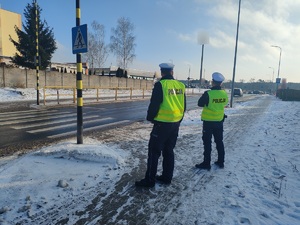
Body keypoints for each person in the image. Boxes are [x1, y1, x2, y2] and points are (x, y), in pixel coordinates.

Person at [135, 63, 186, 188]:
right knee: (169, 151)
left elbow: (154, 104)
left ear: (162, 72)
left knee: (154, 152)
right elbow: (183, 105)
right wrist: (179, 119)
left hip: (161, 125)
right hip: (175, 124)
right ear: (172, 72)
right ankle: (167, 177)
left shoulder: (160, 85)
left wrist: (151, 118)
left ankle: (149, 181)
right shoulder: (181, 85)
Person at [195, 72, 228, 170]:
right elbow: (225, 103)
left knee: (207, 143)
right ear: (221, 83)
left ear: (213, 82)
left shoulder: (208, 93)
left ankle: (206, 163)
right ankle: (221, 161)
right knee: (219, 142)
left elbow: (200, 103)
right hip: (219, 121)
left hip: (208, 122)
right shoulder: (224, 93)